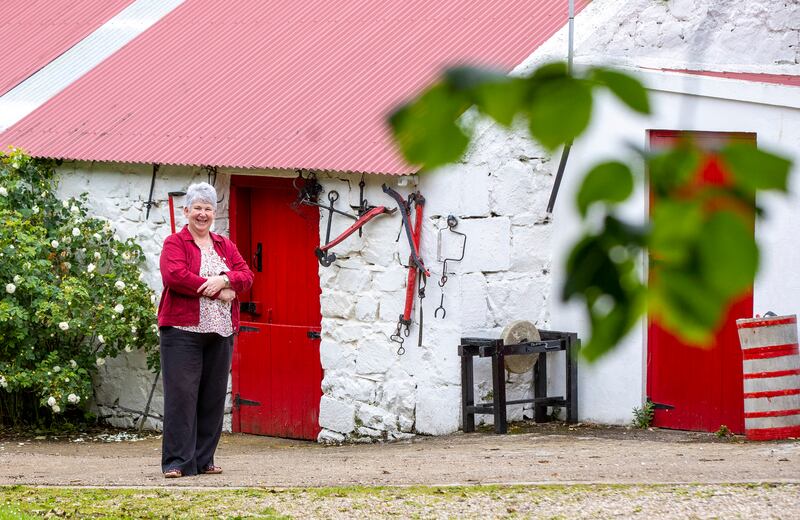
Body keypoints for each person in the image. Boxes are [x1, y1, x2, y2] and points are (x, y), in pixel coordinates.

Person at [157, 182, 254, 478]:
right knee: (182, 396)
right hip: (183, 331)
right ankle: (177, 462)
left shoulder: (224, 245)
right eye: (197, 208)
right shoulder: (175, 243)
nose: (202, 214)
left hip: (220, 330)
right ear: (186, 211)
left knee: (212, 397)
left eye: (208, 209)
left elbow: (246, 275)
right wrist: (216, 291)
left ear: (214, 213)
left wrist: (225, 280)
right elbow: (174, 276)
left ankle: (203, 460)